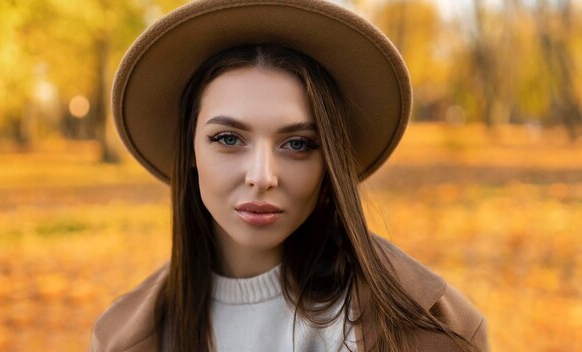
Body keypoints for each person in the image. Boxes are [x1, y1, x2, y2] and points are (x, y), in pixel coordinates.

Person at [89, 0, 489, 351]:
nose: (262, 177)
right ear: (190, 149)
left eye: (297, 144)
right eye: (228, 138)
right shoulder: (124, 339)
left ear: (328, 157)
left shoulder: (436, 331)